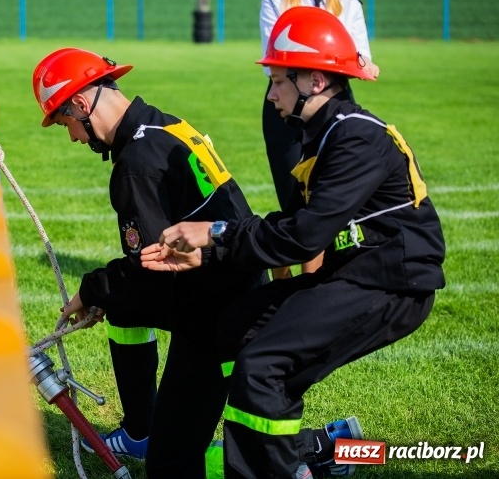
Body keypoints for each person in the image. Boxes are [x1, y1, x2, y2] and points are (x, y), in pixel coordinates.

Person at [140, 7, 445, 478]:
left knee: (261, 368)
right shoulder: (325, 134)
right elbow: (295, 223)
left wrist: (216, 232)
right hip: (353, 273)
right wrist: (209, 250)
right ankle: (323, 446)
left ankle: (285, 463)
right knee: (234, 328)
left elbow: (304, 237)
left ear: (316, 81)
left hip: (390, 284)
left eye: (278, 80)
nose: (271, 93)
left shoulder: (356, 137)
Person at [33, 47, 359, 478]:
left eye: (66, 124)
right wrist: (104, 293)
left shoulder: (136, 167)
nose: (73, 136)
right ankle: (141, 429)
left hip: (213, 316)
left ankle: (326, 453)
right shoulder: (165, 124)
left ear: (80, 103)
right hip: (231, 290)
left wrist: (93, 290)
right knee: (126, 313)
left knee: (173, 463)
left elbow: (153, 271)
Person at [260, 0, 379, 278]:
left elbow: (362, 57)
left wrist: (357, 62)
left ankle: (316, 281)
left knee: (327, 192)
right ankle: (282, 281)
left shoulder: (349, 3)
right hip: (286, 100)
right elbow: (274, 60)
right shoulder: (274, 1)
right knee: (291, 195)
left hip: (334, 103)